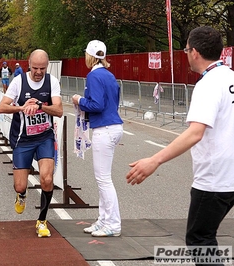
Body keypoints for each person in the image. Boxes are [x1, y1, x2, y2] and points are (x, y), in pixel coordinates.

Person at [126, 26, 234, 264]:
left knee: (199, 240)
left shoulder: (208, 85)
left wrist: (154, 160)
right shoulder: (231, 77)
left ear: (194, 52)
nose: (186, 54)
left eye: (186, 49)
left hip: (215, 178)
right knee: (205, 237)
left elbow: (195, 133)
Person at [0, 49, 63, 238]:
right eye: (35, 68)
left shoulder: (52, 82)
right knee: (19, 185)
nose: (38, 72)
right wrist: (23, 108)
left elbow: (58, 111)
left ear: (47, 66)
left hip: (44, 137)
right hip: (22, 139)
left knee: (47, 179)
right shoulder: (19, 81)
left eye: (42, 68)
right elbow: (2, 107)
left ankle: (42, 221)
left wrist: (41, 106)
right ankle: (22, 195)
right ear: (29, 64)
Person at [71, 40, 123, 237]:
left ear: (89, 56)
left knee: (103, 179)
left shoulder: (93, 76)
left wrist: (79, 100)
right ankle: (104, 220)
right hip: (113, 125)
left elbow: (96, 105)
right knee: (103, 178)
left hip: (105, 128)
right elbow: (112, 101)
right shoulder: (109, 75)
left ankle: (113, 223)